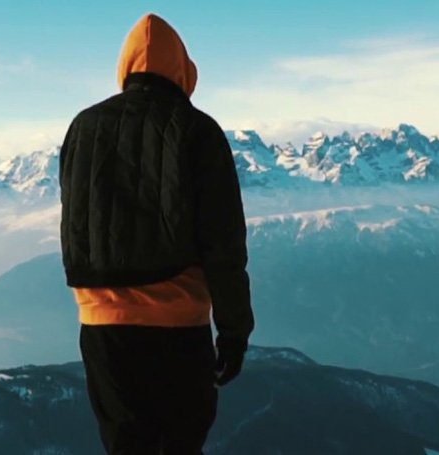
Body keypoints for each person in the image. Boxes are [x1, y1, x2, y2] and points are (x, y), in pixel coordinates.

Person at [58, 12, 254, 454]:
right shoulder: (198, 131)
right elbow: (223, 245)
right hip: (177, 326)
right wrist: (234, 332)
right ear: (184, 71)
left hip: (103, 330)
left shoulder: (83, 127)